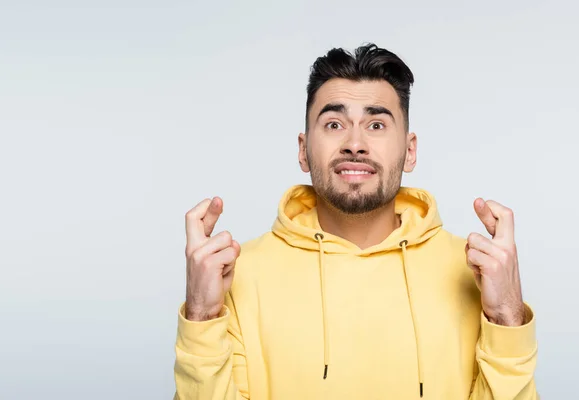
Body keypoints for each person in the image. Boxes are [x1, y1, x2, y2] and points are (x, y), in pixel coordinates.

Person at [173, 43, 538, 399]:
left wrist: (506, 315)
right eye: (334, 124)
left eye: (376, 125)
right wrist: (202, 315)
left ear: (410, 151)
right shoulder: (238, 273)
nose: (355, 143)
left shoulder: (474, 271)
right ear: (303, 149)